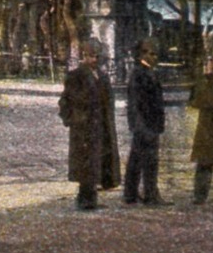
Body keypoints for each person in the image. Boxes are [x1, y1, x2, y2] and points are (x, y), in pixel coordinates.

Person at [59, 38, 120, 210]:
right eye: (91, 56)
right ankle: (84, 198)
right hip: (84, 129)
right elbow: (65, 102)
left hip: (101, 126)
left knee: (97, 162)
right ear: (84, 56)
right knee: (85, 164)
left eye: (97, 56)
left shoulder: (102, 76)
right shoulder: (76, 76)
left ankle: (91, 197)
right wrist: (74, 121)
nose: (94, 60)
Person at [123, 39, 169, 205]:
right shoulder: (140, 73)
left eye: (155, 53)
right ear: (141, 54)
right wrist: (141, 126)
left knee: (136, 159)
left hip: (148, 123)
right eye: (150, 53)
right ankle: (150, 195)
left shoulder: (147, 72)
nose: (154, 57)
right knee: (150, 161)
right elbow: (135, 103)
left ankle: (130, 194)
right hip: (145, 124)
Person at [190, 54, 213, 205]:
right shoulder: (204, 80)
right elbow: (196, 101)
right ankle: (200, 195)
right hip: (208, 128)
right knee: (205, 162)